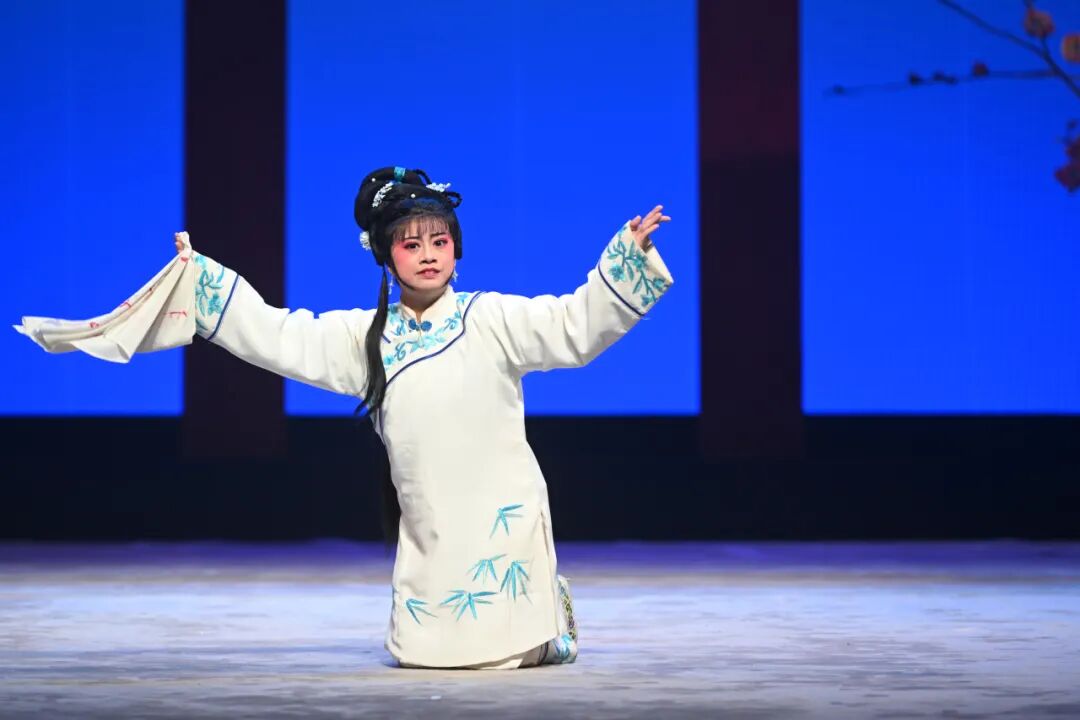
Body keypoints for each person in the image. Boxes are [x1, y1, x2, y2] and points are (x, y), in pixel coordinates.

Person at [17, 165, 674, 669]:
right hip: (433, 514)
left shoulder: (493, 317)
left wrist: (626, 258)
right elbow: (280, 335)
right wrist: (203, 282)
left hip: (502, 501)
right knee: (425, 654)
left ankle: (547, 628)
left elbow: (572, 326)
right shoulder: (365, 338)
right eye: (411, 243)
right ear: (386, 256)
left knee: (510, 651)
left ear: (457, 249)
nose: (428, 253)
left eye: (440, 240)